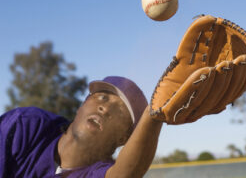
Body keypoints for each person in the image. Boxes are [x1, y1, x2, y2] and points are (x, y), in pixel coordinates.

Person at [0, 76, 163, 178]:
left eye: (120, 112)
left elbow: (123, 175)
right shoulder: (27, 124)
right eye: (102, 97)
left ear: (123, 139)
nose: (105, 109)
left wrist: (154, 116)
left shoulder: (96, 172)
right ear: (83, 104)